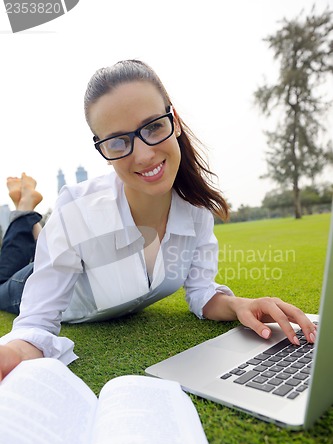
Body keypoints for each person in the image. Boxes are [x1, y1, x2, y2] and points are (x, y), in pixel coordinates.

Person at [0, 60, 317, 380]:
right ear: (102, 150)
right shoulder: (78, 209)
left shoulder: (196, 213)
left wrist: (239, 305)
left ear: (174, 121)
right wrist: (14, 352)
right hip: (22, 285)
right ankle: (24, 209)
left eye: (153, 126)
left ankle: (30, 217)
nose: (144, 155)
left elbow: (202, 294)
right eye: (118, 141)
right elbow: (35, 322)